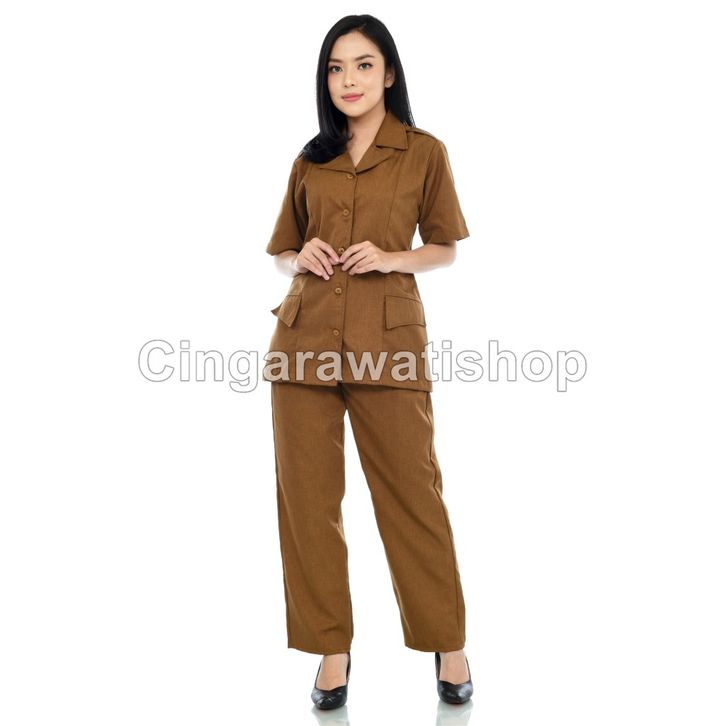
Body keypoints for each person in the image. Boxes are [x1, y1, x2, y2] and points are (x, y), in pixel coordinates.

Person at [263, 14, 474, 708]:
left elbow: (445, 247)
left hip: (389, 346)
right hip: (303, 346)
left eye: (362, 65)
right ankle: (332, 650)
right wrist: (301, 255)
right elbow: (282, 248)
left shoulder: (424, 152)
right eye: (335, 67)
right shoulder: (311, 157)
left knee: (414, 497)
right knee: (309, 505)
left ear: (388, 74)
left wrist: (391, 257)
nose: (348, 79)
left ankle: (448, 643)